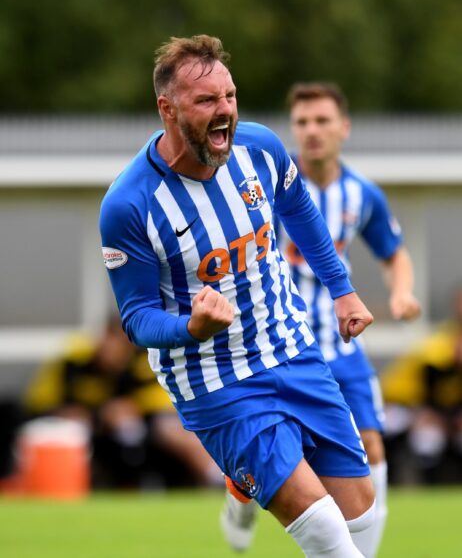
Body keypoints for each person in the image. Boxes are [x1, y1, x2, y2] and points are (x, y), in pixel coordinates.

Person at [100, 35, 376, 557]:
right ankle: (246, 470)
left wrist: (343, 290)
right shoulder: (129, 205)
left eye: (229, 96)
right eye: (206, 101)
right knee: (326, 533)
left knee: (359, 512)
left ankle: (239, 486)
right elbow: (136, 318)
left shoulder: (261, 148)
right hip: (214, 379)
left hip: (291, 349)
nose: (224, 110)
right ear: (168, 107)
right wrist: (191, 327)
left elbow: (300, 211)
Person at [223, 81, 419, 557]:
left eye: (322, 120)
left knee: (372, 448)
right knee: (269, 461)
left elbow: (393, 253)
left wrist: (402, 292)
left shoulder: (361, 194)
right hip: (276, 348)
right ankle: (240, 494)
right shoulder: (262, 180)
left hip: (341, 346)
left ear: (343, 128)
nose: (312, 131)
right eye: (303, 122)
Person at [23, 316, 222, 489]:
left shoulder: (144, 362)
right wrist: (71, 413)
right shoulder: (74, 364)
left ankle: (216, 478)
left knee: (170, 428)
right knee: (71, 427)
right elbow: (40, 400)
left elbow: (163, 399)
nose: (112, 349)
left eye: (118, 342)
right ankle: (72, 485)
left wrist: (132, 408)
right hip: (90, 429)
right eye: (109, 339)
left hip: (144, 428)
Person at [381, 285, 462, 485]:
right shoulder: (437, 346)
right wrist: (428, 414)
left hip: (448, 414)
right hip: (409, 407)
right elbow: (416, 392)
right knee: (425, 437)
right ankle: (393, 482)